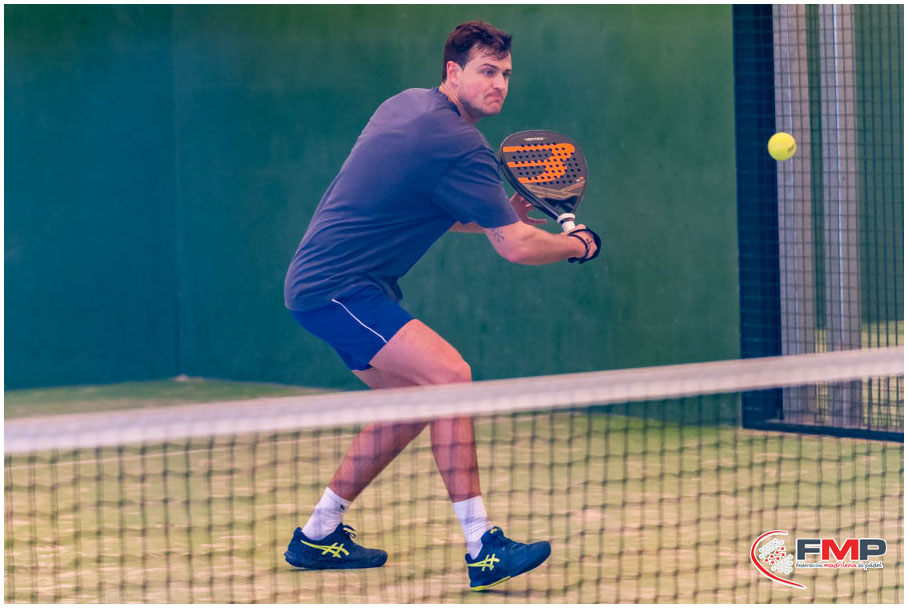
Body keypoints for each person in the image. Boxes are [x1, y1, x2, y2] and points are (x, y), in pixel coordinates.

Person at [282, 20, 599, 591]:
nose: (499, 84)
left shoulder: (406, 105)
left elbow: (427, 208)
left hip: (333, 284)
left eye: (505, 74)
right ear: (453, 72)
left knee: (410, 403)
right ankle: (482, 546)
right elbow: (516, 248)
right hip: (338, 288)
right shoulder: (461, 144)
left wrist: (499, 214)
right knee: (451, 376)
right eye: (486, 71)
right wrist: (578, 245)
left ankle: (317, 534)